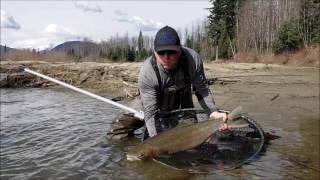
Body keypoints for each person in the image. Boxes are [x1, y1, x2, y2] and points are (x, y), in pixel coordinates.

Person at [138, 25, 228, 139]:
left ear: (180, 50)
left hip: (184, 104)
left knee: (191, 142)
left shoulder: (192, 60)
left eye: (171, 52)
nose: (166, 57)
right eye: (161, 53)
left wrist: (213, 112)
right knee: (122, 130)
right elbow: (150, 113)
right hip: (152, 104)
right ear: (154, 52)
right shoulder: (147, 73)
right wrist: (156, 141)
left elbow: (202, 90)